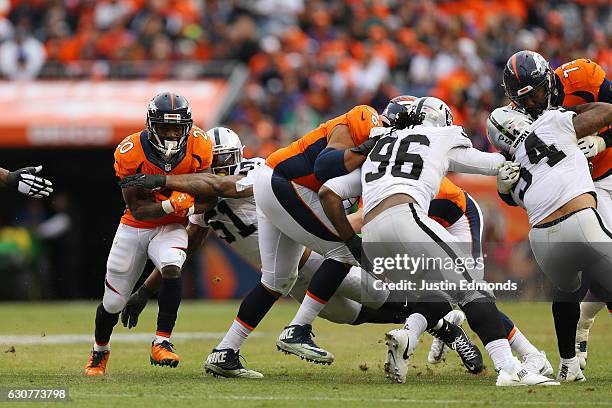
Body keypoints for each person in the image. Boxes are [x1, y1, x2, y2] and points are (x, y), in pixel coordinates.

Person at [120, 126, 484, 378]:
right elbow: (188, 247)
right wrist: (144, 292)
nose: (220, 165)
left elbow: (226, 183)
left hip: (315, 260)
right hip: (291, 275)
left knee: (381, 293)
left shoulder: (252, 175)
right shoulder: (202, 207)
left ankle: (445, 326)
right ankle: (437, 324)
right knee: (349, 315)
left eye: (226, 158)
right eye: (215, 161)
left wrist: (166, 181)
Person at [358, 96, 557, 385]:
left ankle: (409, 339)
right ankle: (510, 368)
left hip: (371, 236)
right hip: (406, 218)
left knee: (433, 294)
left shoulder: (379, 142)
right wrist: (515, 157)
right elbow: (489, 163)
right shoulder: (441, 135)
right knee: (474, 291)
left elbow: (338, 186)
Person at [84, 92, 213, 376]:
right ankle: (99, 352)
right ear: (151, 125)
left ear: (187, 127)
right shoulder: (130, 151)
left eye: (176, 128)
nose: (170, 134)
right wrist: (171, 202)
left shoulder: (200, 145)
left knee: (171, 266)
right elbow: (138, 208)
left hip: (171, 227)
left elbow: (209, 191)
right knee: (114, 302)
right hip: (135, 227)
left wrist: (190, 202)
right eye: (165, 127)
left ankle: (162, 341)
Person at [487, 102, 612, 382]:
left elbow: (518, 196)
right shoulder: (551, 122)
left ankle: (568, 364)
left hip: (542, 242)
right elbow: (607, 110)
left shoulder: (511, 169)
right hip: (580, 222)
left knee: (567, 290)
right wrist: (572, 108)